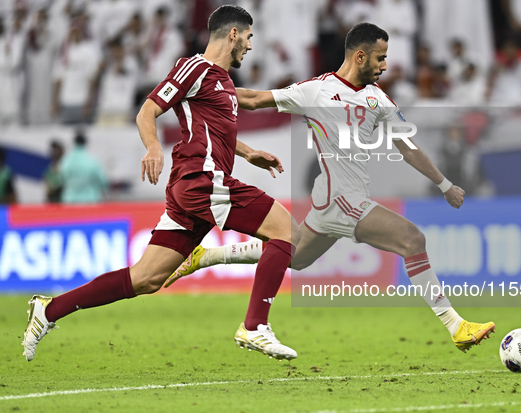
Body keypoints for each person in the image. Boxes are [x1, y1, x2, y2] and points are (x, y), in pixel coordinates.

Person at [168, 23, 495, 353]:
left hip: (333, 202)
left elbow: (407, 148)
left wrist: (444, 184)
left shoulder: (378, 99)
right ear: (360, 55)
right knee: (413, 239)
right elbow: (254, 99)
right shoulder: (317, 90)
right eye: (380, 58)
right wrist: (200, 91)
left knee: (295, 256)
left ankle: (207, 255)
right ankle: (456, 325)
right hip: (342, 200)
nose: (385, 66)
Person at [22, 5, 300, 362]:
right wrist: (153, 147)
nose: (249, 45)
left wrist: (247, 153)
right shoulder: (195, 67)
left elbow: (215, 130)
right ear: (232, 34)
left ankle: (48, 310)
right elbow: (147, 110)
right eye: (247, 37)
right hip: (203, 180)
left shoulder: (224, 82)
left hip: (193, 187)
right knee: (289, 235)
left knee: (146, 279)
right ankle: (254, 325)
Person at [59, 133, 108, 204]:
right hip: (89, 200)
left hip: (70, 201)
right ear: (86, 143)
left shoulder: (65, 161)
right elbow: (103, 181)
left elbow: (61, 180)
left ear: (74, 143)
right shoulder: (92, 161)